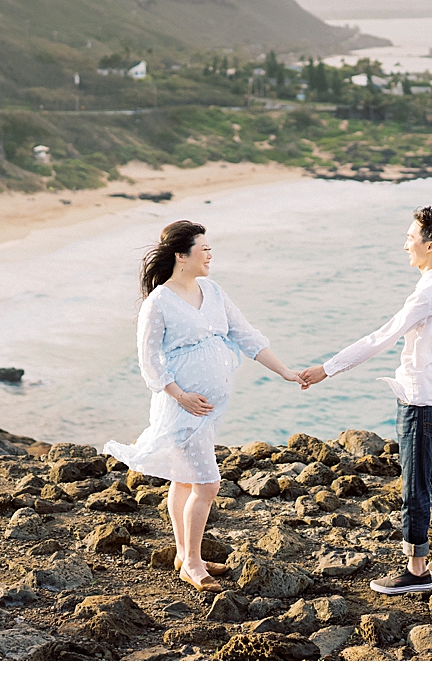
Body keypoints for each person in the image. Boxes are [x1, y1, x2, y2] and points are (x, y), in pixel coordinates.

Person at [103, 220, 300, 594]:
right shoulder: (158, 303)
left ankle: (183, 555)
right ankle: (192, 563)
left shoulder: (212, 290)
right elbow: (149, 362)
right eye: (203, 248)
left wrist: (286, 372)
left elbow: (246, 335)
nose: (210, 254)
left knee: (185, 478)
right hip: (182, 407)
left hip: (210, 409)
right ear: (181, 255)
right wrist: (181, 396)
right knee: (208, 484)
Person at [299, 205, 432, 595]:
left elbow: (379, 339)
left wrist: (326, 369)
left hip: (418, 400)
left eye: (410, 238)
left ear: (430, 246)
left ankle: (416, 571)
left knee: (414, 485)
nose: (405, 246)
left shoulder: (427, 294)